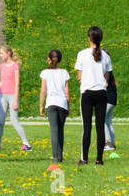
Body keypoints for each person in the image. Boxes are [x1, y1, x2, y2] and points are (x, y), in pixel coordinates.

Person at [74, 25, 112, 166]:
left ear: (89, 38)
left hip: (87, 93)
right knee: (100, 127)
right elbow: (107, 76)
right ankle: (99, 159)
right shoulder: (106, 56)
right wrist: (104, 81)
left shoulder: (82, 54)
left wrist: (84, 79)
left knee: (87, 127)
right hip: (101, 93)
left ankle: (84, 158)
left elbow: (79, 76)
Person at [0, 45, 31, 152]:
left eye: (2, 53)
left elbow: (17, 84)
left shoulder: (15, 66)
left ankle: (26, 143)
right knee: (1, 121)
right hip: (2, 95)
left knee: (14, 121)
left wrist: (15, 100)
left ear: (8, 53)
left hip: (12, 95)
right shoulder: (1, 66)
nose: (0, 55)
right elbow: (2, 81)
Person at [39, 49, 71, 164]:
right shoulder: (64, 72)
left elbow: (43, 91)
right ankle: (60, 155)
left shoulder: (45, 73)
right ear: (60, 60)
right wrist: (68, 106)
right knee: (61, 130)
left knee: (54, 130)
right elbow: (67, 92)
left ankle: (55, 156)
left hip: (51, 103)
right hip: (62, 103)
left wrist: (41, 106)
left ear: (48, 59)